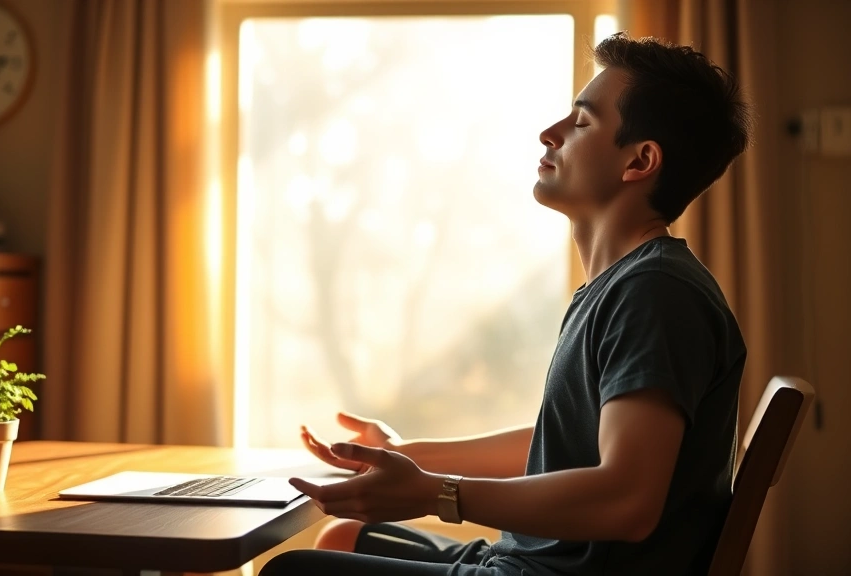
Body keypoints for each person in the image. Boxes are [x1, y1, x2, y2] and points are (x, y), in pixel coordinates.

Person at [260, 32, 753, 576]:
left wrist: (437, 494)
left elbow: (626, 501)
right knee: (344, 535)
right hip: (527, 555)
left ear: (639, 161)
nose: (550, 133)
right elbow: (563, 446)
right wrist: (414, 456)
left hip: (545, 572)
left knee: (293, 572)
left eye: (581, 122)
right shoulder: (626, 284)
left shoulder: (656, 293)